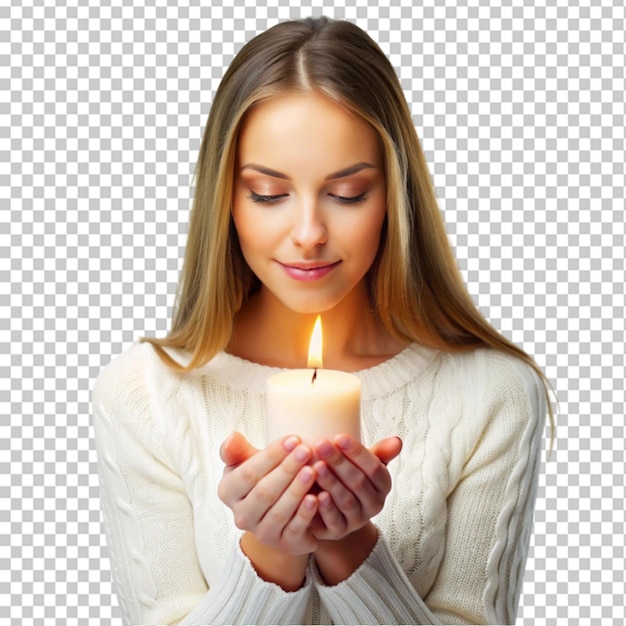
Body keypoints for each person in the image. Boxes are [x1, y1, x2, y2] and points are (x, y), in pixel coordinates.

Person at [92, 16, 553, 626]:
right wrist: (270, 555)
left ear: (394, 195)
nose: (308, 234)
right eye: (267, 193)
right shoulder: (146, 393)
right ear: (225, 197)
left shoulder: (492, 393)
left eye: (348, 193)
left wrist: (348, 543)